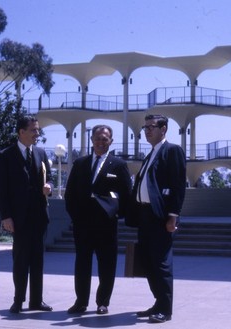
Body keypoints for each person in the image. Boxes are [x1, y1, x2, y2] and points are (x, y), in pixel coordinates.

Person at [64, 124, 132, 315]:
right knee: (82, 263)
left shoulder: (118, 165)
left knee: (107, 264)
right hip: (83, 224)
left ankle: (103, 302)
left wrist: (116, 214)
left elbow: (126, 195)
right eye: (98, 138)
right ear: (91, 140)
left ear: (111, 141)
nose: (101, 142)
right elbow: (70, 194)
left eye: (105, 139)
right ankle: (81, 302)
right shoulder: (80, 164)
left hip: (106, 225)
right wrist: (76, 217)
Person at [127, 114, 186, 323]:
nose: (147, 130)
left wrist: (173, 216)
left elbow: (178, 186)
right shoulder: (150, 154)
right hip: (144, 215)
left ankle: (165, 309)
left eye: (151, 127)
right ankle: (158, 302)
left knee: (161, 263)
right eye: (145, 127)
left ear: (164, 129)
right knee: (148, 261)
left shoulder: (172, 151)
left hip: (160, 216)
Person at [0, 115, 54, 314]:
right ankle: (18, 300)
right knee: (20, 260)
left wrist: (50, 187)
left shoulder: (41, 153)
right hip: (19, 218)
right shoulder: (6, 155)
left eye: (38, 130)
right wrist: (6, 216)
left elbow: (50, 178)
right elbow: (2, 191)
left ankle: (36, 301)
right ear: (21, 132)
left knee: (38, 260)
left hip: (39, 215)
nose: (37, 134)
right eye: (33, 130)